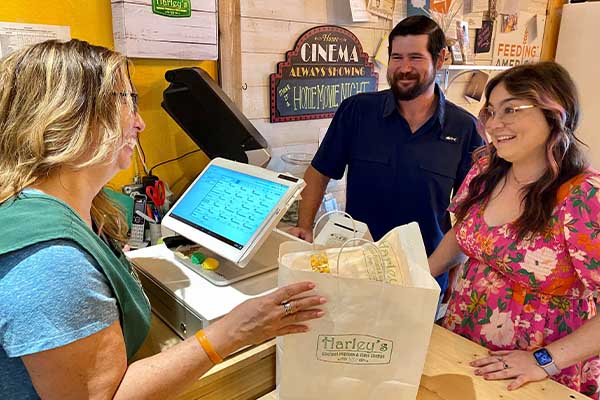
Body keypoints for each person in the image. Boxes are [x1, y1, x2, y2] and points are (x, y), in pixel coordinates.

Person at [0, 39, 326, 399]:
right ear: (74, 116)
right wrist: (234, 329)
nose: (139, 124)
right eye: (127, 103)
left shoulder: (64, 205)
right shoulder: (51, 262)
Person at [428, 62, 600, 399]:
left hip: (537, 373)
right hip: (463, 342)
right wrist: (410, 281)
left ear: (556, 112)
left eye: (511, 109)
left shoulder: (584, 197)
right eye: (491, 111)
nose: (494, 124)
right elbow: (462, 236)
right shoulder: (486, 168)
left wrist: (543, 362)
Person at [289, 16, 484, 294]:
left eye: (416, 57)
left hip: (424, 273)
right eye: (397, 57)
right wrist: (304, 227)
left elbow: (472, 213)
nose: (404, 68)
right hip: (355, 267)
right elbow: (319, 172)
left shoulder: (465, 128)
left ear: (440, 59)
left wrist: (453, 270)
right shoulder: (356, 111)